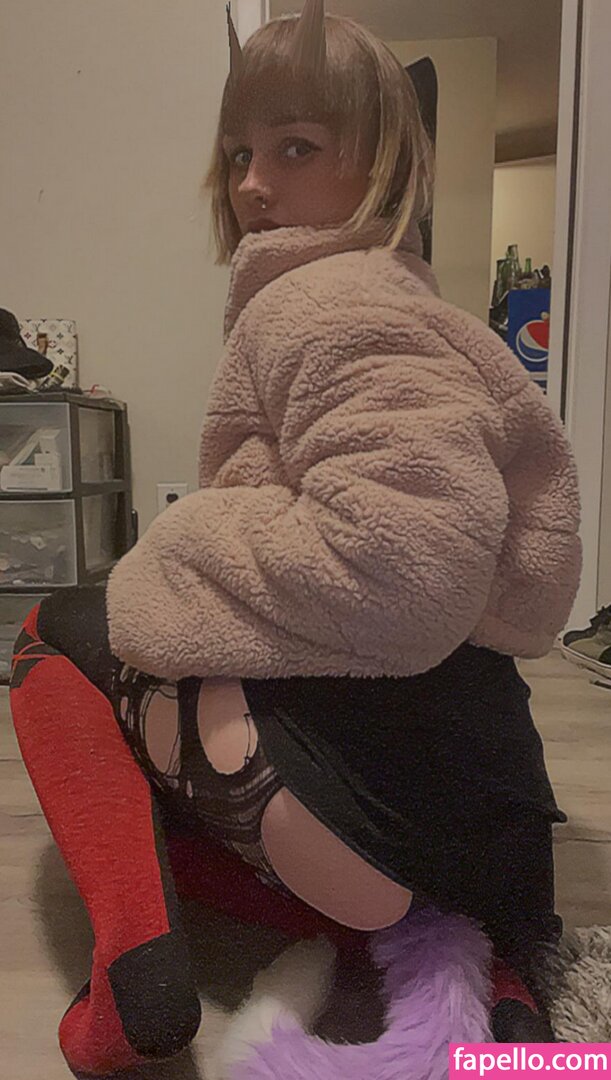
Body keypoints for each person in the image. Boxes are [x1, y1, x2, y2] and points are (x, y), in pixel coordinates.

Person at [10, 4, 582, 1075]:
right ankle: (496, 974)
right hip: (479, 814)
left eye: (297, 147)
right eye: (239, 153)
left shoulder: (325, 305)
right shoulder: (428, 314)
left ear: (383, 164)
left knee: (57, 631)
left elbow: (404, 574)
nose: (252, 184)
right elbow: (511, 573)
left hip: (360, 809)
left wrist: (179, 550)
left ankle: (135, 971)